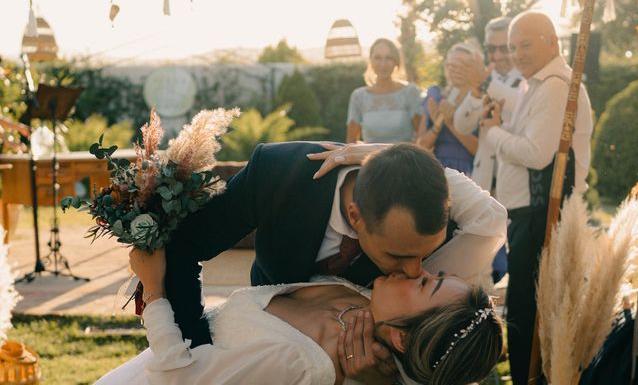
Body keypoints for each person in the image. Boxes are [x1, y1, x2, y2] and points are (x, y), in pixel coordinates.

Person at [164, 141, 506, 382]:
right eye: (398, 256)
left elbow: (490, 218)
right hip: (255, 330)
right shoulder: (277, 172)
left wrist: (393, 154)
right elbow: (184, 247)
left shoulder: (422, 225)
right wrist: (197, 351)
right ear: (355, 217)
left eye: (424, 256)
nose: (417, 269)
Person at [96, 248, 503, 385]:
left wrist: (153, 289)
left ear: (400, 339)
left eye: (426, 284)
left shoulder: (299, 359)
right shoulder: (364, 299)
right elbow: (485, 214)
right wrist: (361, 150)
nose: (418, 269)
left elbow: (177, 375)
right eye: (437, 273)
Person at [480, 12, 593, 384]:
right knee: (528, 315)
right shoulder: (538, 85)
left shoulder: (557, 86)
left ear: (551, 41)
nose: (516, 54)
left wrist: (494, 133)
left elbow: (536, 155)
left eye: (525, 45)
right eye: (512, 47)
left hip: (544, 216)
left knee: (531, 317)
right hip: (529, 215)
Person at [452, 17, 523, 283]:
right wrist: (475, 91)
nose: (497, 55)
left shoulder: (525, 81)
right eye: (491, 49)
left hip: (516, 181)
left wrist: (485, 84)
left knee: (518, 255)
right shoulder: (485, 80)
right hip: (484, 178)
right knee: (481, 255)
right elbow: (462, 122)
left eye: (503, 48)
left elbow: (517, 109)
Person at [416, 43, 479, 175]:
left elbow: (480, 150)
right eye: (451, 65)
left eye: (461, 65)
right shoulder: (435, 95)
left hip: (470, 172)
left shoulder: (479, 100)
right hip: (437, 170)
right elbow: (421, 147)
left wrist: (450, 123)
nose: (455, 69)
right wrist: (438, 123)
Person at [346, 38, 423, 143]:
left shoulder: (410, 92)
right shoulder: (358, 96)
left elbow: (421, 137)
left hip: (405, 158)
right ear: (371, 61)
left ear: (396, 61)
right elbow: (351, 141)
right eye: (377, 58)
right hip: (369, 159)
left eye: (389, 58)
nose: (383, 64)